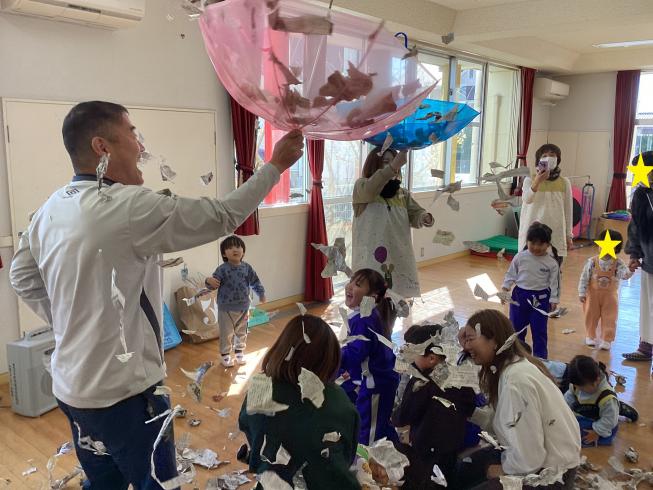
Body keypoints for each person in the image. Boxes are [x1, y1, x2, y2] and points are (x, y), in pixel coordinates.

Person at [9, 101, 303, 489]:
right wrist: (276, 165)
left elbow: (21, 275)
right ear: (102, 146)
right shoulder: (126, 205)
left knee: (103, 483)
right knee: (158, 484)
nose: (141, 145)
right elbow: (222, 215)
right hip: (126, 396)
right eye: (132, 133)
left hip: (72, 390)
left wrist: (68, 320)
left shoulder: (51, 207)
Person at [458, 309, 581, 490]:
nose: (466, 346)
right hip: (542, 461)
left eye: (470, 339)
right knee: (466, 466)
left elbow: (529, 458)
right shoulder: (512, 365)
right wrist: (472, 412)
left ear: (494, 341)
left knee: (474, 473)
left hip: (550, 475)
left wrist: (502, 470)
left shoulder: (515, 382)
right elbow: (504, 424)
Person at [238, 314, 361, 490]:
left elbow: (248, 426)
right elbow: (347, 453)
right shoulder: (338, 402)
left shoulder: (260, 387)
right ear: (330, 359)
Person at [392, 324, 476, 489]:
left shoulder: (421, 382)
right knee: (447, 479)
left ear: (431, 358)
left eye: (414, 354)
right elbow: (470, 404)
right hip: (453, 445)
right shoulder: (458, 375)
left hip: (426, 447)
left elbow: (403, 417)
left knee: (427, 481)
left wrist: (395, 414)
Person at [351, 147, 434, 298]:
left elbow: (415, 212)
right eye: (385, 162)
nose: (391, 166)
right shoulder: (361, 186)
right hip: (371, 256)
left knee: (396, 297)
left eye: (394, 162)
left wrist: (424, 217)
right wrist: (392, 166)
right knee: (371, 296)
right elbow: (370, 189)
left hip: (398, 253)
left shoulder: (402, 193)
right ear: (374, 164)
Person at [339, 268, 400, 445]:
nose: (350, 286)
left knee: (370, 431)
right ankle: (396, 449)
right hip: (380, 379)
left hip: (376, 384)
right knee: (380, 421)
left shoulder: (363, 320)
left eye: (357, 284)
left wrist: (333, 356)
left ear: (371, 297)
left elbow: (355, 354)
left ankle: (369, 460)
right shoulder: (366, 314)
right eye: (351, 281)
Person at [501, 222, 560, 359]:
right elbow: (511, 274)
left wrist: (554, 299)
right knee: (516, 329)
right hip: (519, 297)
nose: (536, 247)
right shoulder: (520, 257)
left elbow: (555, 283)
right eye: (532, 243)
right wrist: (505, 289)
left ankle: (540, 359)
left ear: (548, 244)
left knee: (539, 331)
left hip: (541, 299)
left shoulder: (551, 263)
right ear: (527, 241)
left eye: (541, 244)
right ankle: (517, 356)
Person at [205, 235, 265, 367]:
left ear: (243, 251)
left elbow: (255, 282)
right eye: (230, 247)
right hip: (226, 308)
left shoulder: (247, 268)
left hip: (243, 307)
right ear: (224, 254)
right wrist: (208, 281)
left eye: (238, 247)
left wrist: (261, 293)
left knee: (242, 332)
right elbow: (213, 285)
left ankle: (239, 352)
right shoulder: (222, 269)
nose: (235, 249)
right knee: (226, 333)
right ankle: (225, 355)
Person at [578, 229, 632, 350]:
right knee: (591, 316)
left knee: (610, 318)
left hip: (610, 297)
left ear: (616, 248)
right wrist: (581, 292)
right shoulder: (592, 262)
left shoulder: (618, 263)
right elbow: (584, 277)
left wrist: (631, 270)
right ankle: (590, 336)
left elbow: (624, 275)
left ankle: (607, 339)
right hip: (592, 296)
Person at [519, 144, 573, 263]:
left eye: (552, 155)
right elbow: (527, 199)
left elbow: (568, 210)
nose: (548, 158)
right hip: (532, 233)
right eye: (544, 155)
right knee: (528, 269)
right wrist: (537, 181)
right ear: (538, 160)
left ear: (557, 159)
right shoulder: (529, 179)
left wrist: (569, 235)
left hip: (555, 234)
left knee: (554, 269)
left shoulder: (564, 182)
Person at [624, 151, 653, 365]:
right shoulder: (640, 195)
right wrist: (634, 253)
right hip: (649, 261)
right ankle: (646, 346)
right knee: (648, 303)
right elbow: (635, 226)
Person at [563, 355, 619, 447]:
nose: (579, 391)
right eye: (578, 388)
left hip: (602, 422)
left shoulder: (607, 397)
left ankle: (617, 407)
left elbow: (610, 420)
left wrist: (597, 432)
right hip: (583, 414)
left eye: (583, 389)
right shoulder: (577, 385)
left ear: (596, 380)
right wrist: (562, 411)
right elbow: (568, 398)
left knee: (581, 436)